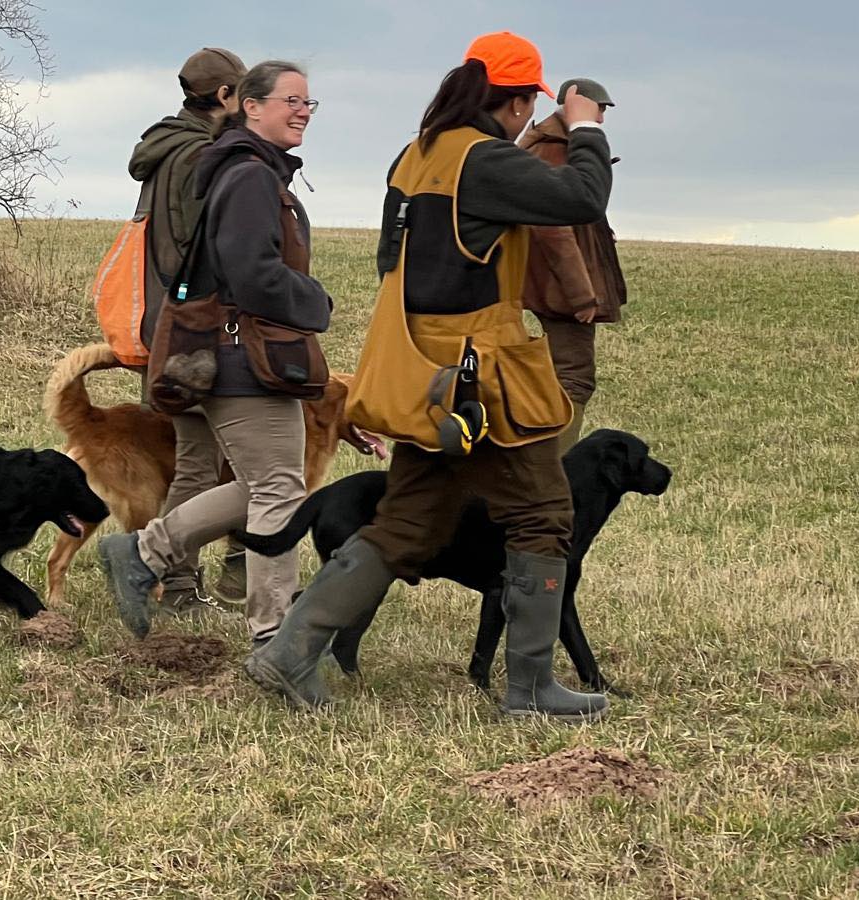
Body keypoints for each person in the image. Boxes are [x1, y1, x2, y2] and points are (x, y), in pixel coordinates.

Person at [244, 32, 614, 722]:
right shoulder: (486, 160)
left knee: (408, 522)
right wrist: (586, 125)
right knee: (542, 514)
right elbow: (581, 198)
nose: (530, 116)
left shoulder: (413, 158)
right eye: (530, 103)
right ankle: (531, 690)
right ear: (513, 100)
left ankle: (288, 652)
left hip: (422, 371)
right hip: (484, 379)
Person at [100, 60, 332, 648]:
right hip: (244, 353)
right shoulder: (250, 175)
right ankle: (274, 639)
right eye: (291, 100)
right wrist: (314, 301)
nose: (304, 110)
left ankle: (143, 552)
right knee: (278, 490)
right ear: (249, 105)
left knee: (265, 485)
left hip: (230, 350)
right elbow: (251, 275)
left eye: (309, 102)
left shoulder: (243, 168)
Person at [128, 47, 249, 617]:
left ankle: (182, 583)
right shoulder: (203, 155)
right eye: (244, 94)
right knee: (221, 464)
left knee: (203, 460)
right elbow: (199, 253)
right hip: (198, 330)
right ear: (224, 97)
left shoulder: (165, 150)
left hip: (169, 326)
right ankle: (176, 579)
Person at [518, 77, 628, 451]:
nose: (602, 117)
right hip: (559, 287)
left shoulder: (544, 143)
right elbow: (552, 227)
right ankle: (554, 468)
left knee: (552, 376)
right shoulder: (555, 149)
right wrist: (581, 294)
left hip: (543, 282)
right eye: (600, 108)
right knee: (574, 378)